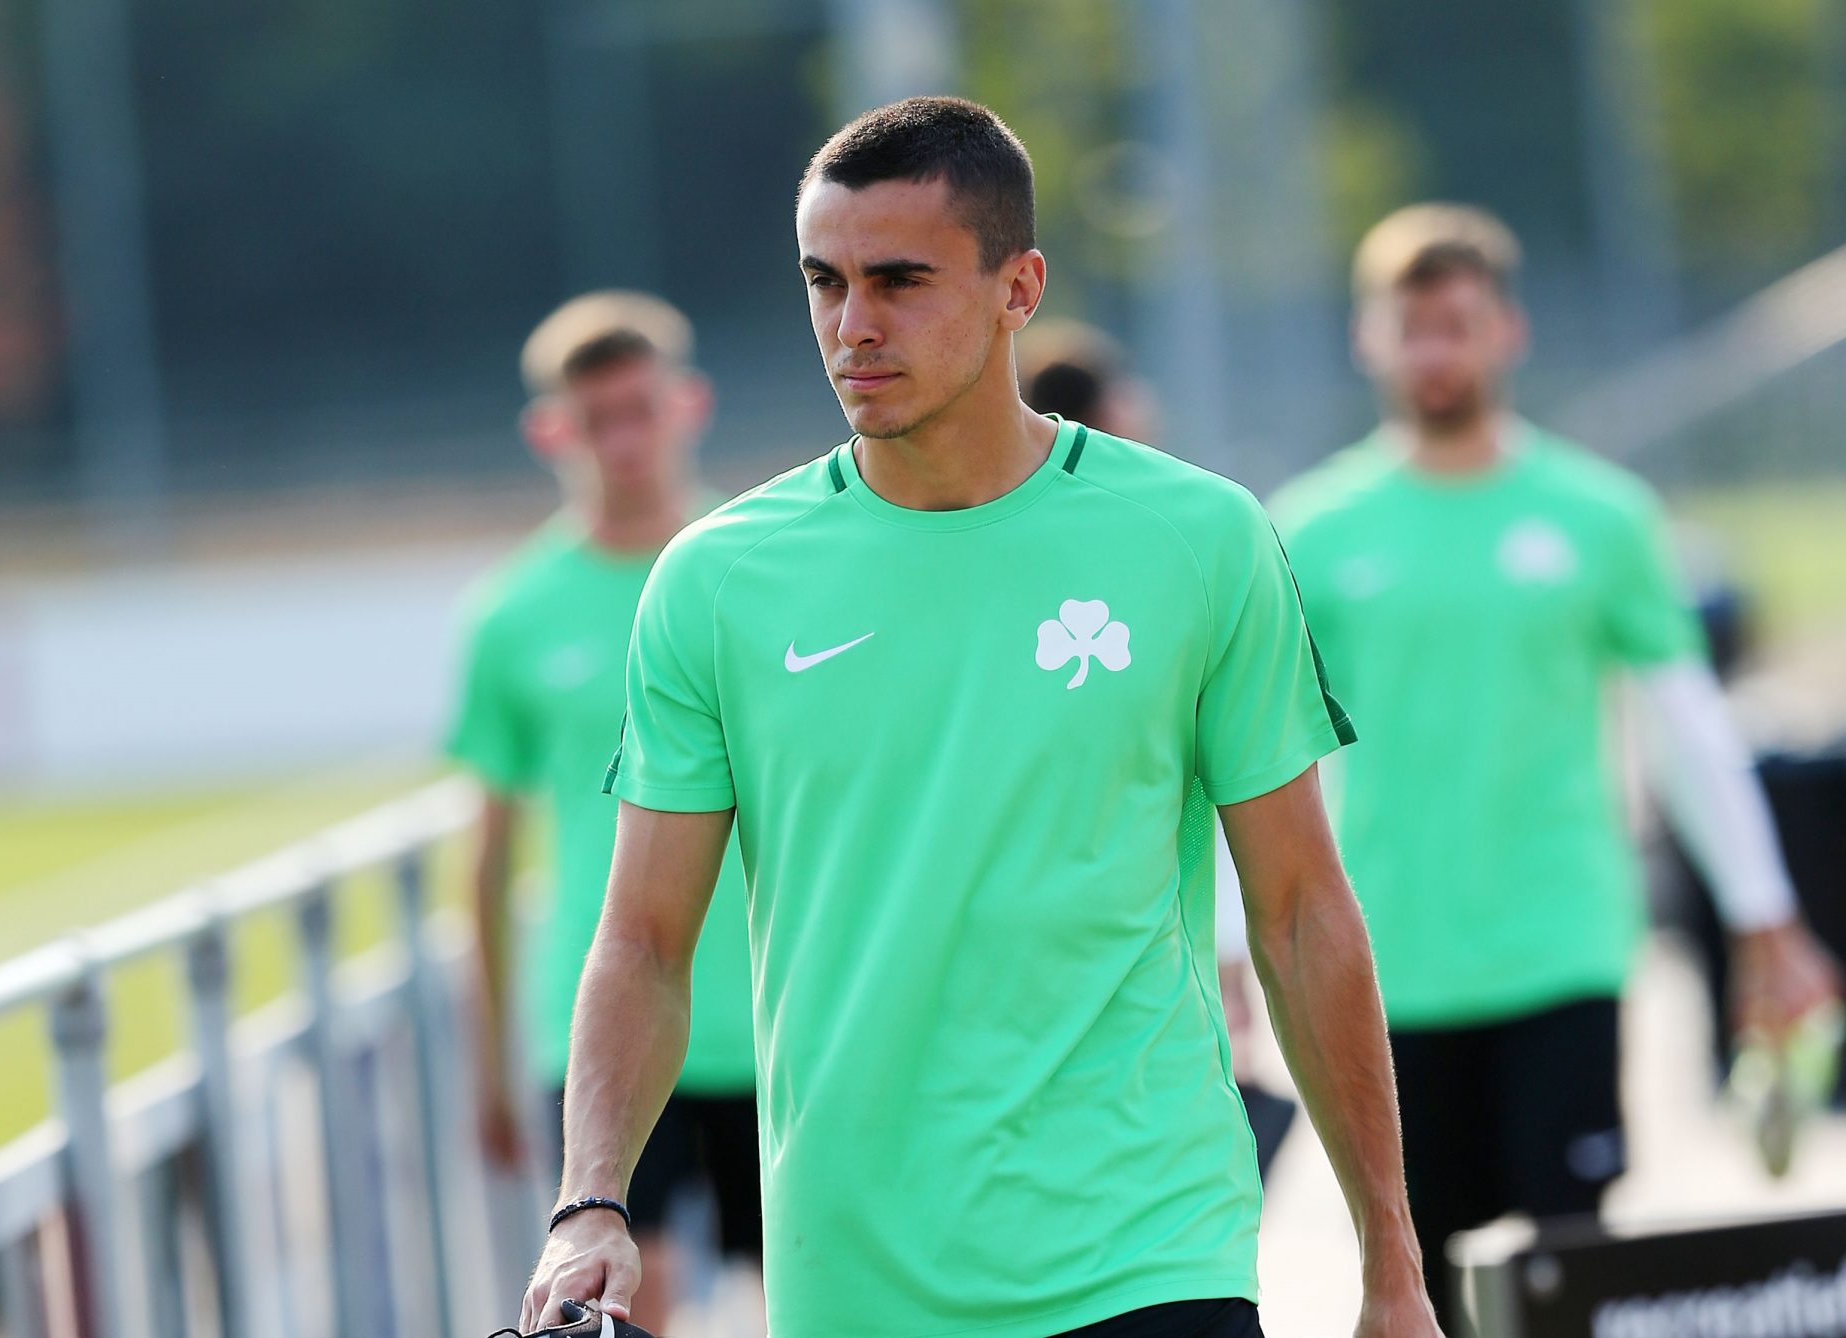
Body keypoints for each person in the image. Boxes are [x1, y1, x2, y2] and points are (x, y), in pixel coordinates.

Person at [520, 97, 1442, 1338]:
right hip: (857, 1280)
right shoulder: (718, 581)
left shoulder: (1200, 537)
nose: (854, 325)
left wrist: (1391, 1260)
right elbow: (641, 942)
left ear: (1020, 289)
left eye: (900, 281)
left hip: (1150, 1250)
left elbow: (1299, 912)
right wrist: (589, 1202)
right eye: (825, 281)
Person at [1272, 203, 1841, 1325]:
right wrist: (1243, 947)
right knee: (1426, 1275)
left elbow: (1689, 731)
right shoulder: (1312, 531)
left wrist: (1767, 919)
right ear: (1368, 339)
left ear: (1507, 332)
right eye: (1412, 328)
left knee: (1569, 1268)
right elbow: (1261, 767)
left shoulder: (1600, 517)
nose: (1436, 352)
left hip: (1563, 947)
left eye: (1458, 325)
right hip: (1388, 966)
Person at [448, 292, 763, 1332]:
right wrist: (490, 1063)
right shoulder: (512, 613)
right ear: (551, 431)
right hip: (605, 1022)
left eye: (642, 410)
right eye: (597, 420)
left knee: (801, 1304)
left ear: (689, 404)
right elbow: (488, 857)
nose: (624, 442)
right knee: (624, 1307)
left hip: (771, 1008)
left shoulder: (763, 569)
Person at [1020, 321, 1297, 1179]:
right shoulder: (1156, 549)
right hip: (1140, 978)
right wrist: (1230, 961)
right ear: (1108, 414)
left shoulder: (1166, 537)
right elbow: (1195, 782)